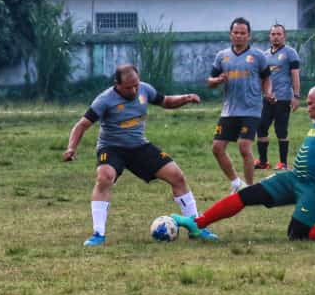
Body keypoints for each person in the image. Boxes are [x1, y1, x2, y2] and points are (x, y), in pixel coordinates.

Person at [173, 69, 315, 241]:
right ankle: (198, 223)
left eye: (311, 103)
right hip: (294, 178)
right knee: (246, 195)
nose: (307, 108)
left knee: (296, 234)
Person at [63, 64, 217, 246]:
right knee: (104, 178)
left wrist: (185, 98)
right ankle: (98, 234)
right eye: (129, 87)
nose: (134, 90)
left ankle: (196, 226)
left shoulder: (145, 89)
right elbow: (82, 125)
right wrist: (71, 148)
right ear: (117, 84)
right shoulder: (104, 100)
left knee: (177, 177)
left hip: (139, 146)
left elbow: (166, 101)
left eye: (136, 84)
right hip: (112, 148)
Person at [207, 17, 273, 193]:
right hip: (229, 110)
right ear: (230, 34)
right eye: (236, 32)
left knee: (244, 147)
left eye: (243, 33)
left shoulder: (258, 56)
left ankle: (250, 189)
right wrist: (218, 80)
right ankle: (236, 183)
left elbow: (266, 78)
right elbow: (210, 81)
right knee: (217, 148)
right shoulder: (222, 56)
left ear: (249, 36)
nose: (239, 36)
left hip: (251, 109)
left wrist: (267, 92)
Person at [255, 23, 301, 171]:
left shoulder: (290, 53)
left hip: (283, 98)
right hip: (267, 98)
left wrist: (296, 95)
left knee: (281, 130)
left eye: (279, 34)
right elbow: (262, 78)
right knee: (261, 128)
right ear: (269, 36)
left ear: (284, 36)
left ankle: (283, 163)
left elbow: (295, 74)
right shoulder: (264, 55)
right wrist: (263, 93)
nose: (276, 37)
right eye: (273, 34)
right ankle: (263, 162)